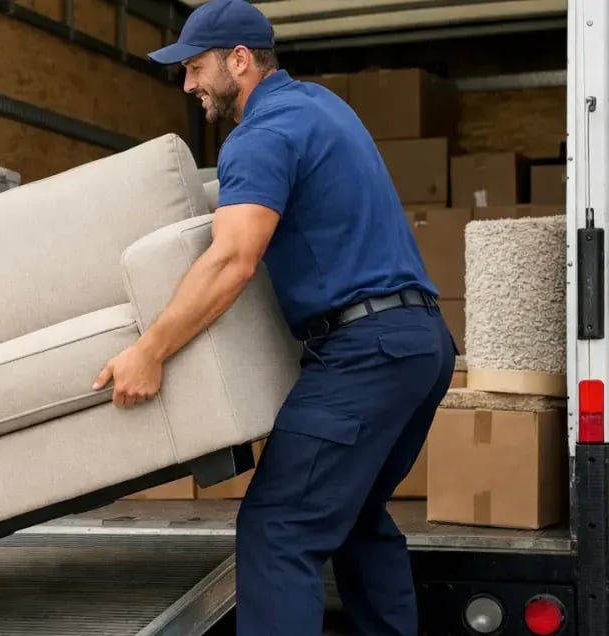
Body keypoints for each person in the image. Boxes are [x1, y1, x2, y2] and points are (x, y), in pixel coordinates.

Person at [91, 1, 456, 634]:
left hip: (365, 353)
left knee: (279, 526)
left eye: (196, 67)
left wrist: (150, 350)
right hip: (419, 344)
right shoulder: (320, 106)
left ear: (239, 59)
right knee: (358, 516)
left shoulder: (260, 135)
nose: (188, 85)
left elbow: (233, 258)